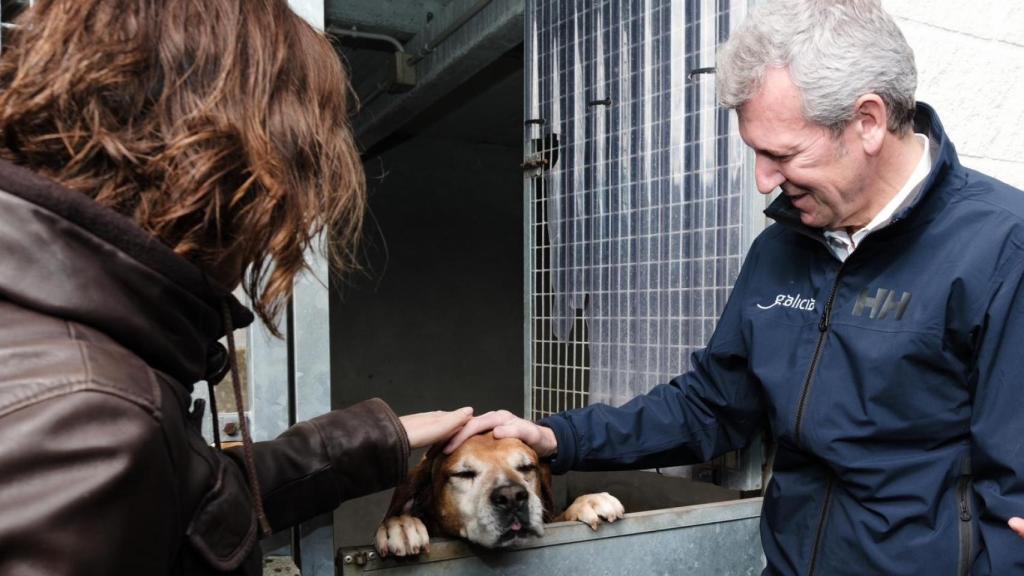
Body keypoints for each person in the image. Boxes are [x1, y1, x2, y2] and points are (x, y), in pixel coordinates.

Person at [447, 0, 1024, 573]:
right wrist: (556, 437)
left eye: (782, 154)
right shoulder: (782, 248)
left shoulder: (1002, 248)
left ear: (867, 121)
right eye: (756, 153)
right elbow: (711, 407)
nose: (763, 180)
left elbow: (1015, 491)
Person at [0, 1, 471, 574]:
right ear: (245, 160)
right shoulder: (88, 414)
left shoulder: (65, 329)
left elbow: (190, 494)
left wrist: (378, 437)